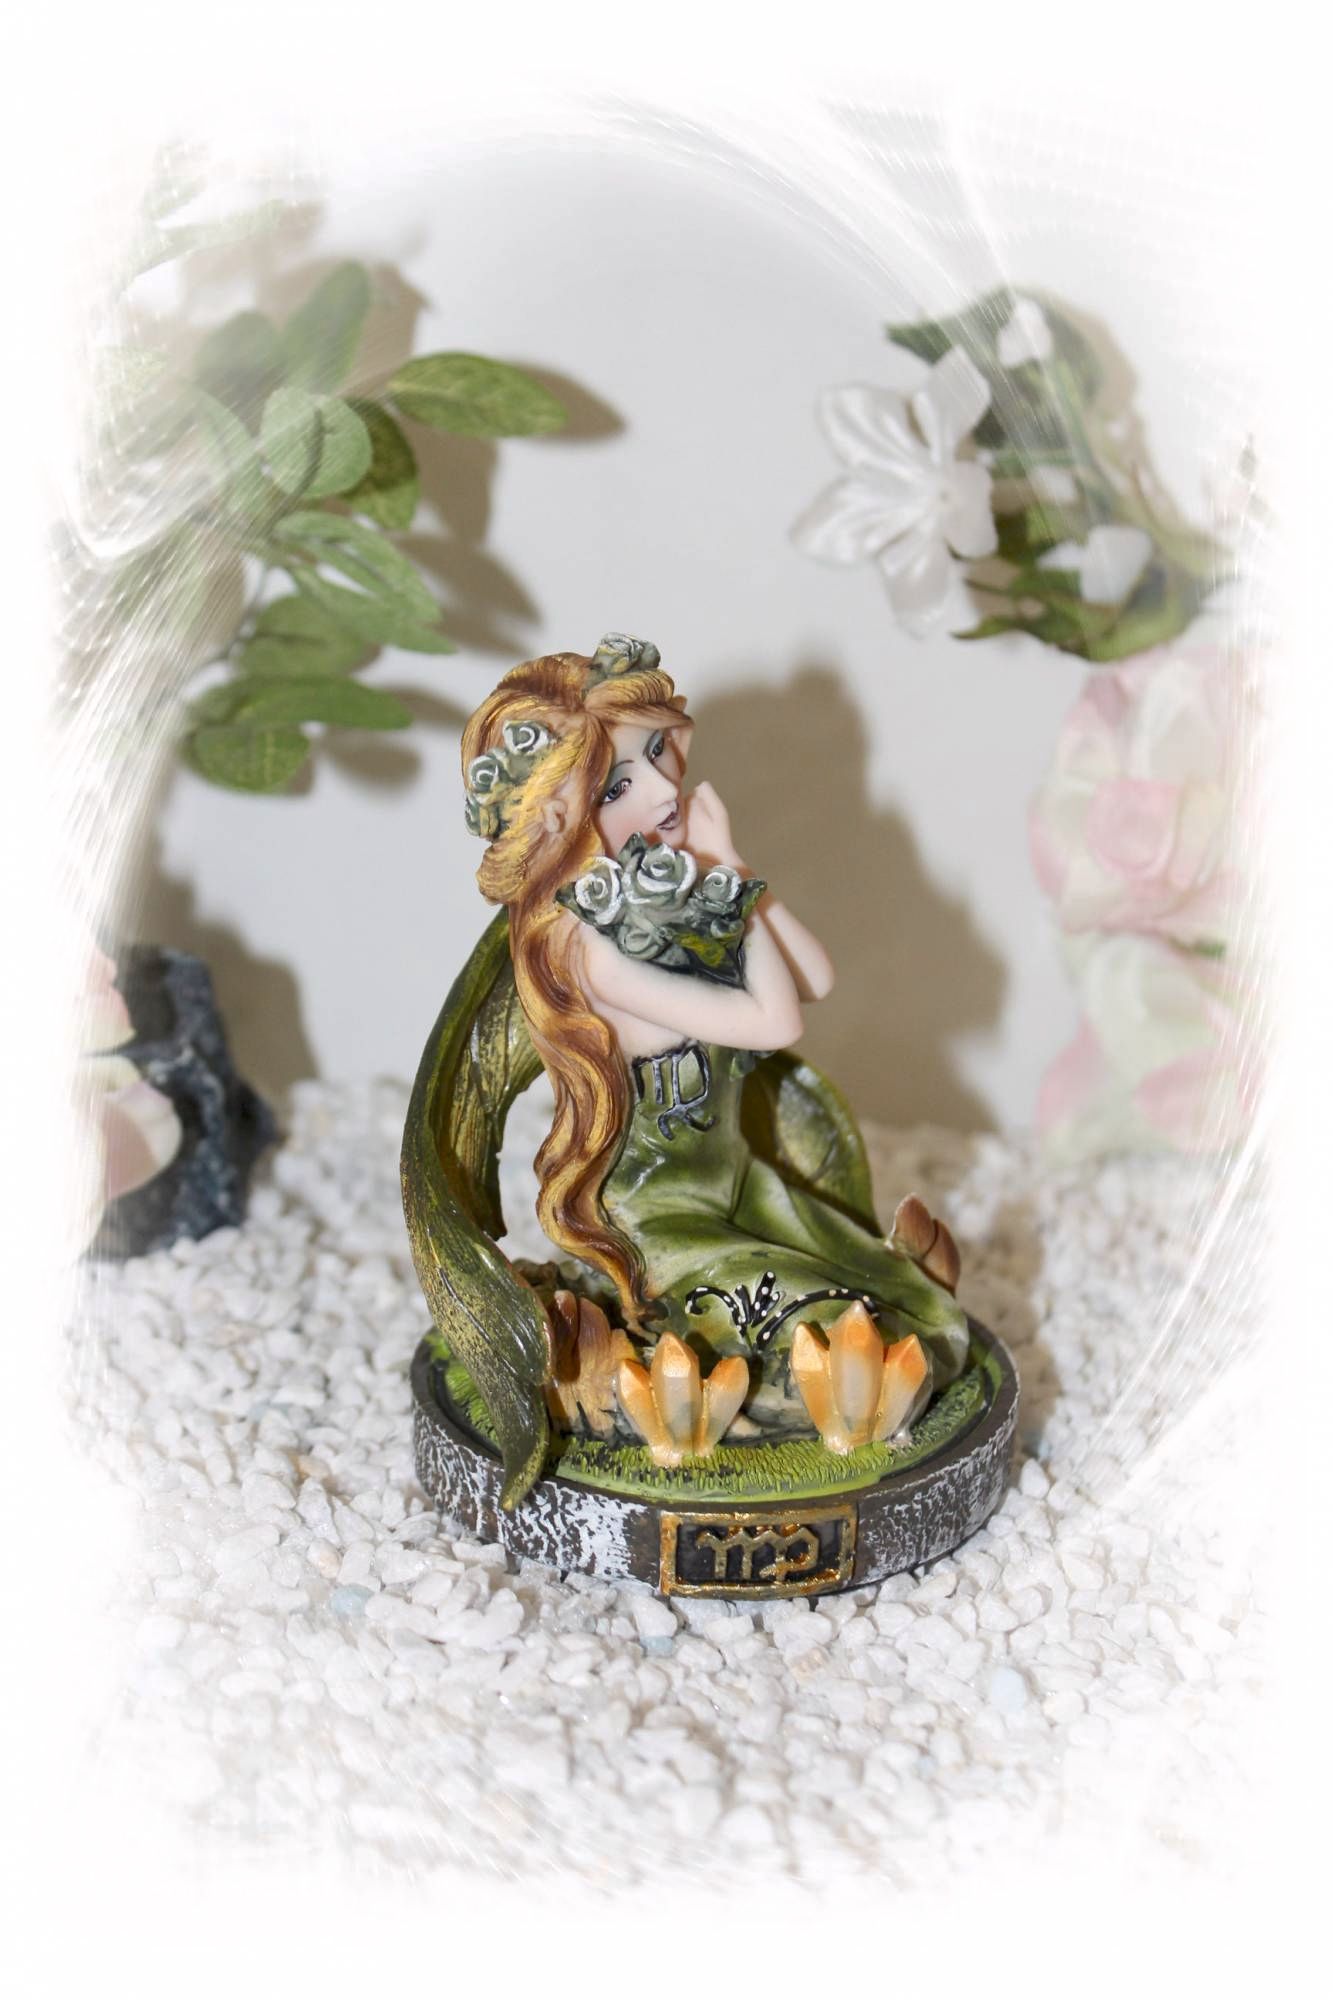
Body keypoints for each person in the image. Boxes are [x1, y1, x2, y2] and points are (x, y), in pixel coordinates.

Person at [460, 635, 968, 1452]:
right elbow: (774, 1022)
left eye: (657, 753)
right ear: (562, 815)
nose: (664, 789)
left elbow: (813, 977)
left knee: (912, 1304)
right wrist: (727, 878)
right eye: (620, 783)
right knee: (836, 1333)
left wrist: (727, 870)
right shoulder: (591, 951)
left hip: (740, 1184)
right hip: (661, 1216)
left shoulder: (662, 894)